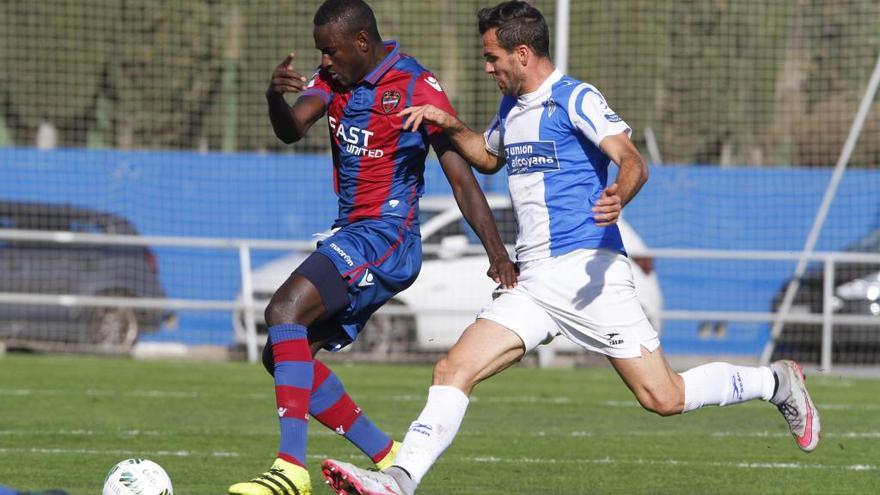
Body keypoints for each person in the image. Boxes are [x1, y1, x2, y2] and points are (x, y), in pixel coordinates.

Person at [319, 2, 821, 494]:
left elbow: (631, 160)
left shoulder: (576, 97)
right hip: (534, 281)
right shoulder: (511, 107)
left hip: (587, 271)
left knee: (665, 397)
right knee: (453, 368)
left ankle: (775, 383)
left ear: (521, 53)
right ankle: (399, 481)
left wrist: (617, 195)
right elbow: (489, 158)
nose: (487, 66)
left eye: (493, 57)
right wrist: (447, 124)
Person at [228, 1, 517, 494]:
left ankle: (289, 470)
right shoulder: (335, 80)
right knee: (282, 357)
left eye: (330, 51)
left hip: (388, 238)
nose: (324, 62)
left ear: (361, 43)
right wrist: (275, 97)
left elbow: (463, 181)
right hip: (350, 234)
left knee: (283, 311)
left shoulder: (414, 87)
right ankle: (390, 455)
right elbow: (292, 129)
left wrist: (497, 254)